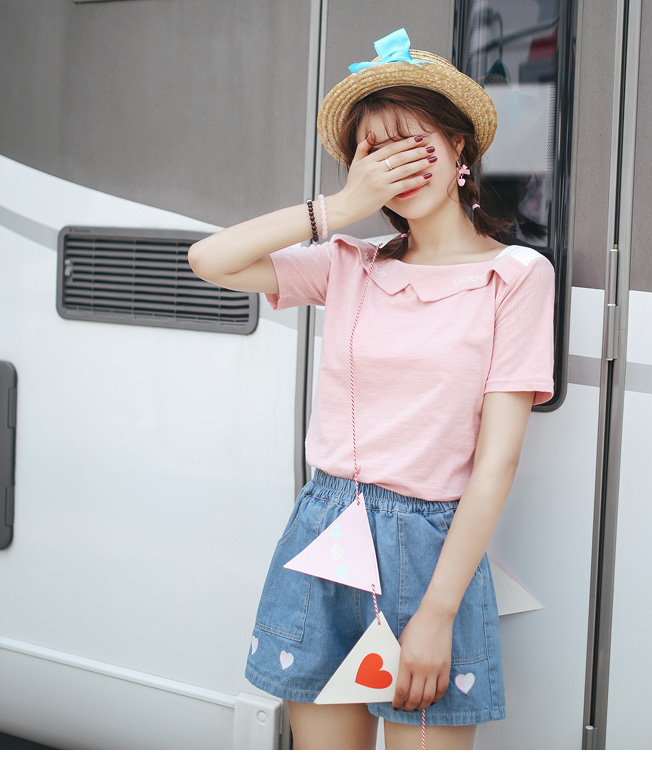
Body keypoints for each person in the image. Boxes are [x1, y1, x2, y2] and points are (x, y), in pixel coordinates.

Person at [188, 29, 554, 751]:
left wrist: (437, 614)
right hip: (327, 531)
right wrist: (339, 206)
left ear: (458, 148)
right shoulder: (349, 263)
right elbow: (210, 260)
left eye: (412, 143)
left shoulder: (514, 277)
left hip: (432, 549)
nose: (396, 165)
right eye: (374, 151)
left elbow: (497, 463)